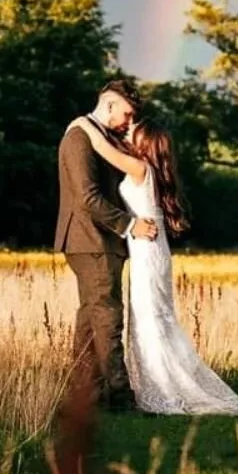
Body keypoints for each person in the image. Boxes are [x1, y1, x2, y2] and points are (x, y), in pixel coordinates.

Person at [66, 113, 238, 417]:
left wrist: (82, 123)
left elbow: (99, 145)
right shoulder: (147, 169)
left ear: (145, 142)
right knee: (152, 319)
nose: (127, 131)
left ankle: (163, 387)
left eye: (133, 131)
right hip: (149, 249)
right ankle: (158, 383)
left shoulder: (140, 168)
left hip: (147, 251)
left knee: (151, 320)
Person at [54, 79, 158, 412]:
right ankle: (121, 400)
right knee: (109, 317)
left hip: (97, 240)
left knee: (91, 318)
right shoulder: (79, 138)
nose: (129, 122)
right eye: (127, 114)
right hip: (90, 239)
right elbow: (87, 198)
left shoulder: (97, 136)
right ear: (109, 104)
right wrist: (130, 225)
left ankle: (87, 394)